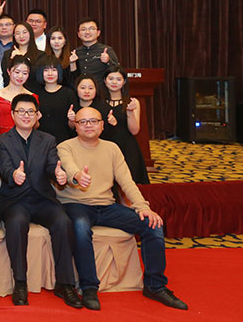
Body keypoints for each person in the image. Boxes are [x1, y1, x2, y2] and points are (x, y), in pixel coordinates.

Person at [58, 107, 187, 311]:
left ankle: (155, 285)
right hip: (76, 204)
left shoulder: (112, 148)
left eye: (93, 121)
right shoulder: (65, 147)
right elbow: (68, 166)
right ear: (76, 126)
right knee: (81, 228)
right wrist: (77, 176)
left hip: (107, 206)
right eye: (83, 122)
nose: (88, 125)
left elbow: (126, 181)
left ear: (102, 125)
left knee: (152, 224)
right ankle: (89, 287)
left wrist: (143, 207)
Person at [0, 94, 80, 308]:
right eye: (21, 111)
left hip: (42, 198)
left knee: (63, 222)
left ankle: (65, 284)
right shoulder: (2, 141)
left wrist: (58, 175)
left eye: (30, 111)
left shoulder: (48, 140)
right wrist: (13, 174)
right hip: (15, 199)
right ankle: (20, 283)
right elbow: (4, 167)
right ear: (13, 114)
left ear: (37, 114)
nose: (26, 115)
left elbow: (52, 165)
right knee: (16, 223)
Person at [101, 66, 149, 184]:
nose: (114, 82)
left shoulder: (132, 102)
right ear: (105, 81)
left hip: (126, 146)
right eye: (111, 78)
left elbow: (134, 131)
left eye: (118, 79)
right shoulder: (99, 102)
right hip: (104, 146)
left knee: (128, 184)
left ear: (124, 82)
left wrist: (130, 112)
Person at [33, 57, 76, 144]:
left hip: (64, 141)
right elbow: (33, 127)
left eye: (54, 70)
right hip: (40, 142)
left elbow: (73, 127)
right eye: (46, 70)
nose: (50, 74)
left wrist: (72, 120)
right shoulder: (35, 95)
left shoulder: (69, 94)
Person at [0, 56, 37, 135]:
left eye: (25, 73)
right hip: (1, 137)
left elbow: (35, 125)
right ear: (8, 71)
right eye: (17, 72)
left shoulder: (32, 97)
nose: (20, 76)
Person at [0, 22, 46, 90]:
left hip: (33, 91)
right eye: (17, 33)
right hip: (12, 92)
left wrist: (21, 57)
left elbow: (38, 76)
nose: (21, 36)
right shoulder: (8, 54)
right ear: (14, 36)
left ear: (30, 34)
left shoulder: (41, 55)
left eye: (24, 32)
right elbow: (5, 76)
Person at [74, 18, 119, 84]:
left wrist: (108, 61)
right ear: (78, 34)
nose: (87, 32)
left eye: (91, 29)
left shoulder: (107, 50)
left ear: (98, 33)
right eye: (83, 29)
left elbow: (118, 72)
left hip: (101, 89)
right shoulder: (75, 52)